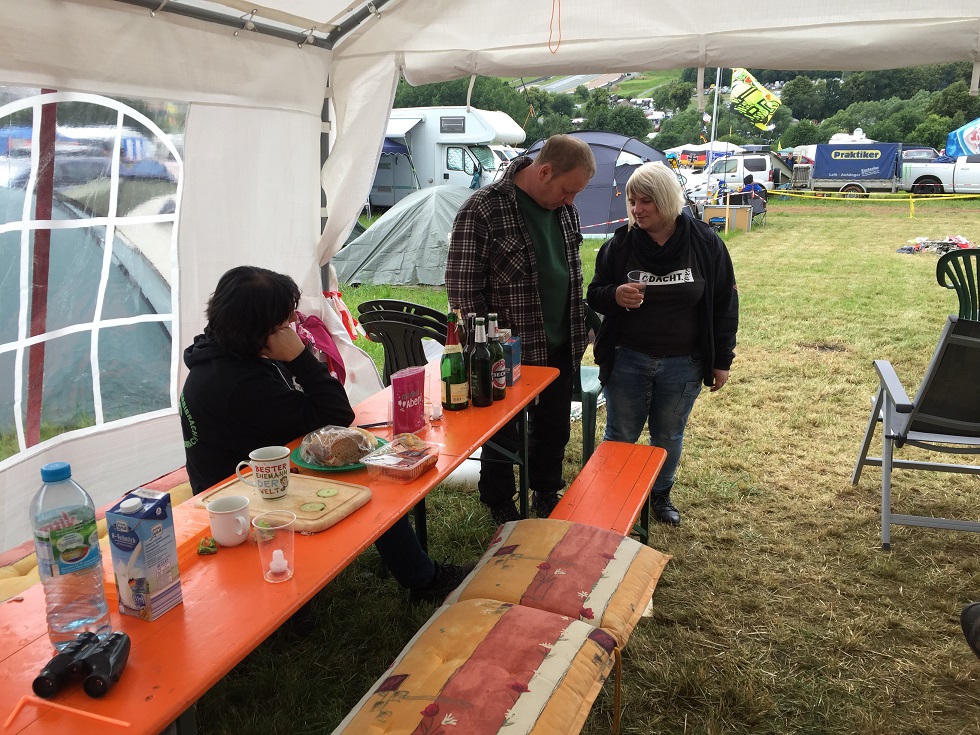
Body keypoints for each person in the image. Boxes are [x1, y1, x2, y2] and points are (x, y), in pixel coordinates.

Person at [179, 265, 472, 604]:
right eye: (285, 319)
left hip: (248, 478)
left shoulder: (221, 353)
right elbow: (337, 415)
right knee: (371, 487)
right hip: (241, 502)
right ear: (259, 328)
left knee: (361, 465)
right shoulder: (240, 383)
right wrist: (300, 357)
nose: (294, 321)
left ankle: (412, 567)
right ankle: (425, 580)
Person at [446, 134, 596, 524]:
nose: (571, 201)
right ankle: (499, 500)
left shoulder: (564, 210)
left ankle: (546, 490)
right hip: (507, 353)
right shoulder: (483, 209)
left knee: (554, 427)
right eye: (567, 191)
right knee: (502, 432)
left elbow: (568, 273)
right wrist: (487, 350)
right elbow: (463, 292)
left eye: (576, 194)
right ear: (544, 171)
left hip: (562, 343)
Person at [586, 163, 738, 526]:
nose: (637, 210)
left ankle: (660, 493)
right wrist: (615, 295)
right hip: (627, 358)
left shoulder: (705, 243)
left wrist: (722, 360)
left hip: (684, 362)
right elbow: (595, 293)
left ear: (666, 199)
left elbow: (725, 303)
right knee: (620, 433)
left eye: (646, 201)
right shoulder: (620, 245)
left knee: (668, 434)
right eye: (632, 201)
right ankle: (614, 494)